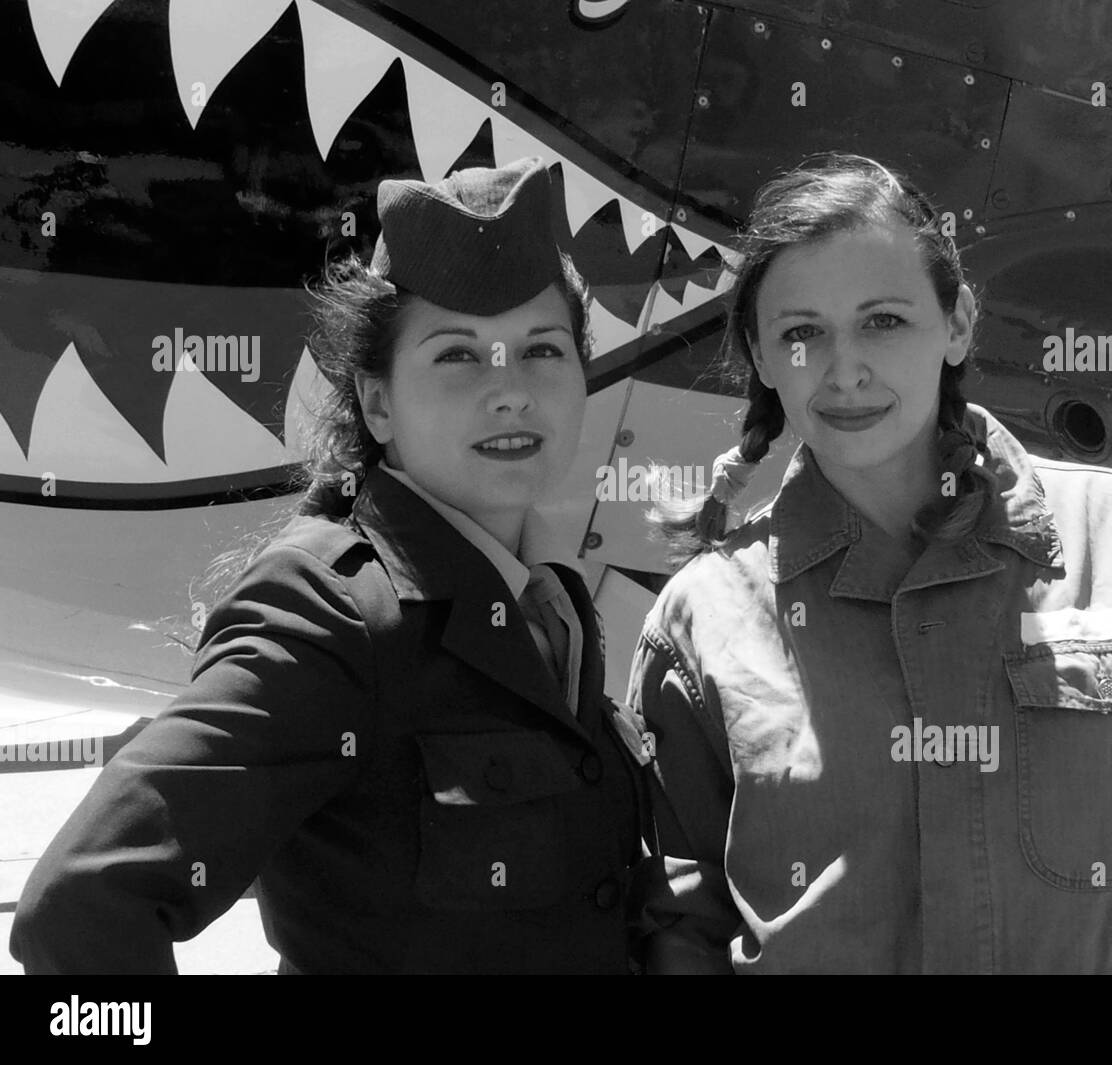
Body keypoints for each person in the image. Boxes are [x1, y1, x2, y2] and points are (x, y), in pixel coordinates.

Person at [627, 152, 1112, 974]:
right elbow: (678, 922)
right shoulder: (702, 618)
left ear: (959, 323)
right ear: (762, 357)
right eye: (802, 334)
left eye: (884, 320)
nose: (845, 370)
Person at [11, 157, 652, 974]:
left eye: (543, 350)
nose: (511, 391)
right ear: (378, 401)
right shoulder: (329, 613)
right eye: (458, 356)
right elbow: (78, 910)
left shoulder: (548, 598)